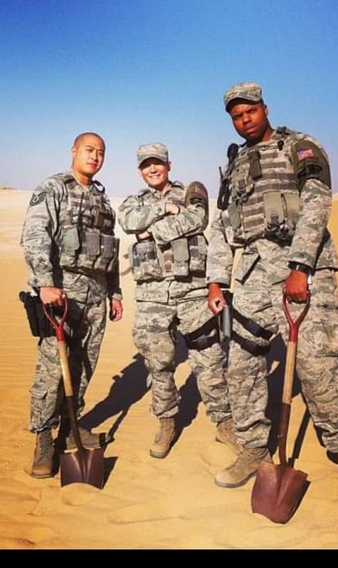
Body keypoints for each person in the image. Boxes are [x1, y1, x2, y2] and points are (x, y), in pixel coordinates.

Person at [206, 82, 338, 508]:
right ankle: (252, 449)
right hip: (252, 274)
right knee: (241, 365)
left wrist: (300, 266)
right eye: (236, 115)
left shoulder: (299, 146)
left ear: (265, 108)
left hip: (301, 268)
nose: (244, 119)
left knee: (317, 366)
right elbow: (223, 226)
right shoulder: (234, 164)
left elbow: (317, 202)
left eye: (250, 111)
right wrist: (216, 280)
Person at [117, 143, 238, 459]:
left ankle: (224, 422)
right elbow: (128, 222)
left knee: (209, 359)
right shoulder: (134, 202)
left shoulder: (191, 193)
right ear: (140, 170)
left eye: (157, 163)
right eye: (146, 165)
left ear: (169, 165)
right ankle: (167, 421)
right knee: (159, 363)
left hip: (192, 291)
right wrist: (164, 209)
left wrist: (150, 232)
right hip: (151, 297)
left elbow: (197, 219)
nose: (152, 169)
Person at [20, 132, 123, 479]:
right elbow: (35, 235)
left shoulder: (102, 200)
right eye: (89, 150)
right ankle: (43, 439)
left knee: (84, 366)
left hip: (95, 296)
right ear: (74, 151)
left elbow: (110, 249)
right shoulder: (54, 188)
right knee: (53, 369)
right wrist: (45, 283)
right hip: (62, 294)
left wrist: (115, 292)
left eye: (101, 152)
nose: (95, 157)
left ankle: (70, 427)